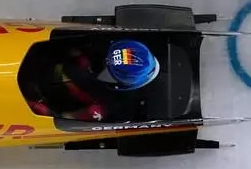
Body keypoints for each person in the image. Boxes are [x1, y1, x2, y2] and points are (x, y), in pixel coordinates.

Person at [28, 38, 160, 121]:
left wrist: (35, 106)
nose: (102, 65)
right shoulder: (103, 48)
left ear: (120, 84)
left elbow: (65, 117)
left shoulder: (111, 105)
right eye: (105, 62)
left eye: (108, 71)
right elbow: (71, 48)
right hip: (40, 62)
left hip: (40, 97)